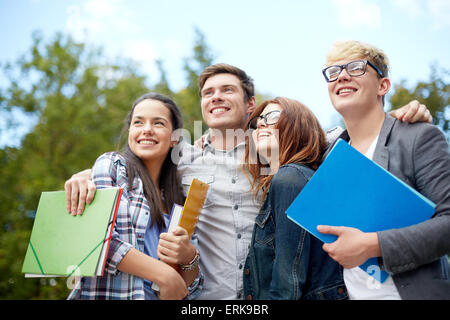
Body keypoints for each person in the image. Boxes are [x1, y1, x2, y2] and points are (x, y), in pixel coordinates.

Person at [65, 63, 432, 300]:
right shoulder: (183, 159)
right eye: (208, 93)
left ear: (250, 104)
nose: (216, 98)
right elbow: (140, 167)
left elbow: (341, 139)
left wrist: (397, 119)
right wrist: (89, 174)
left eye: (226, 90)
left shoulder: (276, 151)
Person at [317, 40, 450, 299]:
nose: (342, 76)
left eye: (355, 68)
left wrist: (372, 245)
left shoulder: (418, 137)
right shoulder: (330, 155)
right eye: (333, 72)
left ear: (383, 85)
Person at [68, 92, 203, 300]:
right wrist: (164, 274)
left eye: (158, 123)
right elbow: (98, 239)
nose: (147, 130)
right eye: (138, 122)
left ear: (174, 139)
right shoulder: (113, 166)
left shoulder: (180, 198)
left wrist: (189, 257)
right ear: (130, 130)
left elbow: (191, 289)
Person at [242, 97, 347, 300]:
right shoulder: (296, 179)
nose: (261, 123)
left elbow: (287, 283)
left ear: (299, 126)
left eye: (272, 116)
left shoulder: (290, 178)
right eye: (258, 121)